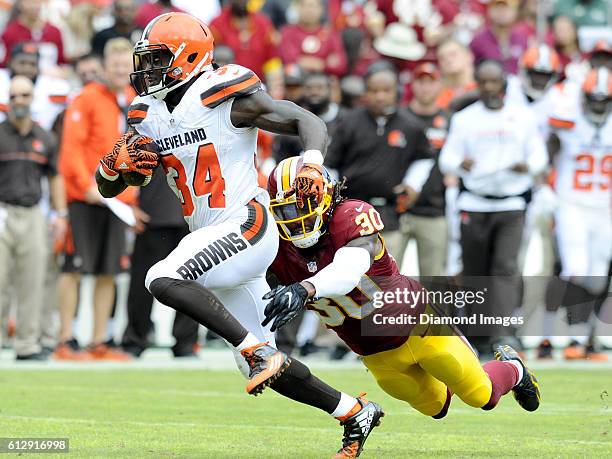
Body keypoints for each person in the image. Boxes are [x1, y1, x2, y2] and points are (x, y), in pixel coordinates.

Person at [96, 13, 382, 458]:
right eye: (145, 60)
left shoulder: (221, 95)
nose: (147, 70)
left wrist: (310, 162)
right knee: (270, 363)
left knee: (162, 278)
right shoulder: (146, 114)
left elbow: (309, 122)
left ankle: (255, 352)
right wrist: (111, 169)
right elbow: (112, 186)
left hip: (246, 223)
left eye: (157, 60)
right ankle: (351, 411)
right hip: (211, 237)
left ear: (189, 58)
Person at [263, 156, 541, 428]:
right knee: (437, 407)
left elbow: (349, 270)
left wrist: (305, 288)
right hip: (374, 353)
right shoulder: (275, 251)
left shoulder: (350, 215)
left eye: (306, 204)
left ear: (325, 196)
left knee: (481, 395)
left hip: (418, 326)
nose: (298, 217)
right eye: (287, 210)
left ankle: (514, 369)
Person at [438, 60, 548, 355]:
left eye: (494, 82)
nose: (489, 88)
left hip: (511, 203)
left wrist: (529, 166)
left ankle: (501, 333)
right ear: (477, 84)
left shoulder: (523, 116)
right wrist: (460, 163)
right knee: (475, 270)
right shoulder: (465, 119)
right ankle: (478, 335)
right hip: (474, 202)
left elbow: (539, 155)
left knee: (505, 268)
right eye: (483, 83)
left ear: (504, 84)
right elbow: (446, 158)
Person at [56, 38, 141, 361]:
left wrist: (130, 195)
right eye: (115, 65)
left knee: (110, 271)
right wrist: (86, 185)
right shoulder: (87, 98)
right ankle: (65, 339)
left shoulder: (134, 101)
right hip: (86, 198)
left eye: (125, 66)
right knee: (74, 268)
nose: (120, 71)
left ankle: (98, 341)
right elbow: (71, 149)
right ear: (104, 66)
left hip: (117, 201)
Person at [325, 63, 431, 263]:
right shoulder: (348, 123)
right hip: (351, 211)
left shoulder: (411, 125)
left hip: (389, 213)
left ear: (397, 92)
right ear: (365, 93)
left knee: (387, 278)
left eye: (386, 91)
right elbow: (330, 163)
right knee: (352, 277)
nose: (380, 96)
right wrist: (333, 196)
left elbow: (424, 157)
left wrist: (413, 184)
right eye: (374, 91)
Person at [544, 67, 611, 360]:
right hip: (571, 204)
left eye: (603, 100)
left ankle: (586, 338)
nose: (597, 105)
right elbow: (540, 133)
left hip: (604, 208)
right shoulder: (566, 120)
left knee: (597, 276)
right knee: (576, 268)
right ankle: (568, 337)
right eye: (593, 99)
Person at [0, 75, 67, 360]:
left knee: (33, 280)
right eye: (14, 96)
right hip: (2, 211)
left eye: (24, 95)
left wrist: (60, 214)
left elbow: (54, 177)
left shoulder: (44, 138)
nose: (19, 101)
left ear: (32, 99)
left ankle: (27, 344)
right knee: (0, 279)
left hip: (32, 213)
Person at [121, 167, 197, 358]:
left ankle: (186, 342)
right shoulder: (146, 135)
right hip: (152, 213)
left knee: (193, 283)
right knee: (142, 283)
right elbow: (125, 162)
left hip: (192, 215)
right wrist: (128, 203)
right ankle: (135, 339)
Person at [395, 63, 448, 276]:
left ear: (440, 86)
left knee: (434, 282)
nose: (425, 88)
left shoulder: (450, 120)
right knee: (384, 281)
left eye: (431, 82)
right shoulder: (398, 118)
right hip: (398, 211)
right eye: (421, 82)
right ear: (412, 85)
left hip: (434, 209)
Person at [0, 42, 69, 130]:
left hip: (40, 138)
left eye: (32, 64)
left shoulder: (53, 86)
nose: (27, 69)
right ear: (10, 63)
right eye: (22, 63)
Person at [209, 0, 282, 81]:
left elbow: (272, 59)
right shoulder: (217, 25)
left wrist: (275, 86)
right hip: (227, 84)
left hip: (258, 84)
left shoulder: (263, 23)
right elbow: (211, 61)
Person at [279, 0, 347, 77]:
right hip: (297, 82)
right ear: (298, 8)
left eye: (313, 6)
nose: (309, 10)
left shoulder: (330, 33)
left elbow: (340, 65)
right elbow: (289, 61)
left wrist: (303, 60)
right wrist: (324, 63)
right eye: (306, 6)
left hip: (324, 80)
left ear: (321, 9)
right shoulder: (287, 32)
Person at [1, 0, 66, 69]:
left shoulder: (54, 31)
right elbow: (5, 63)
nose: (34, 6)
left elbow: (62, 63)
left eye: (37, 2)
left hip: (52, 77)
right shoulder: (10, 32)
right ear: (20, 4)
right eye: (30, 2)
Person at [469, 0, 528, 75]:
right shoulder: (478, 41)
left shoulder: (521, 39)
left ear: (515, 12)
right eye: (497, 8)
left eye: (506, 8)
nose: (502, 13)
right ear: (489, 11)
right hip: (489, 84)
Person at [436, 39, 477, 110]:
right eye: (442, 58)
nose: (448, 60)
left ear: (469, 56)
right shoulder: (437, 95)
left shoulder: (484, 88)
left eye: (453, 54)